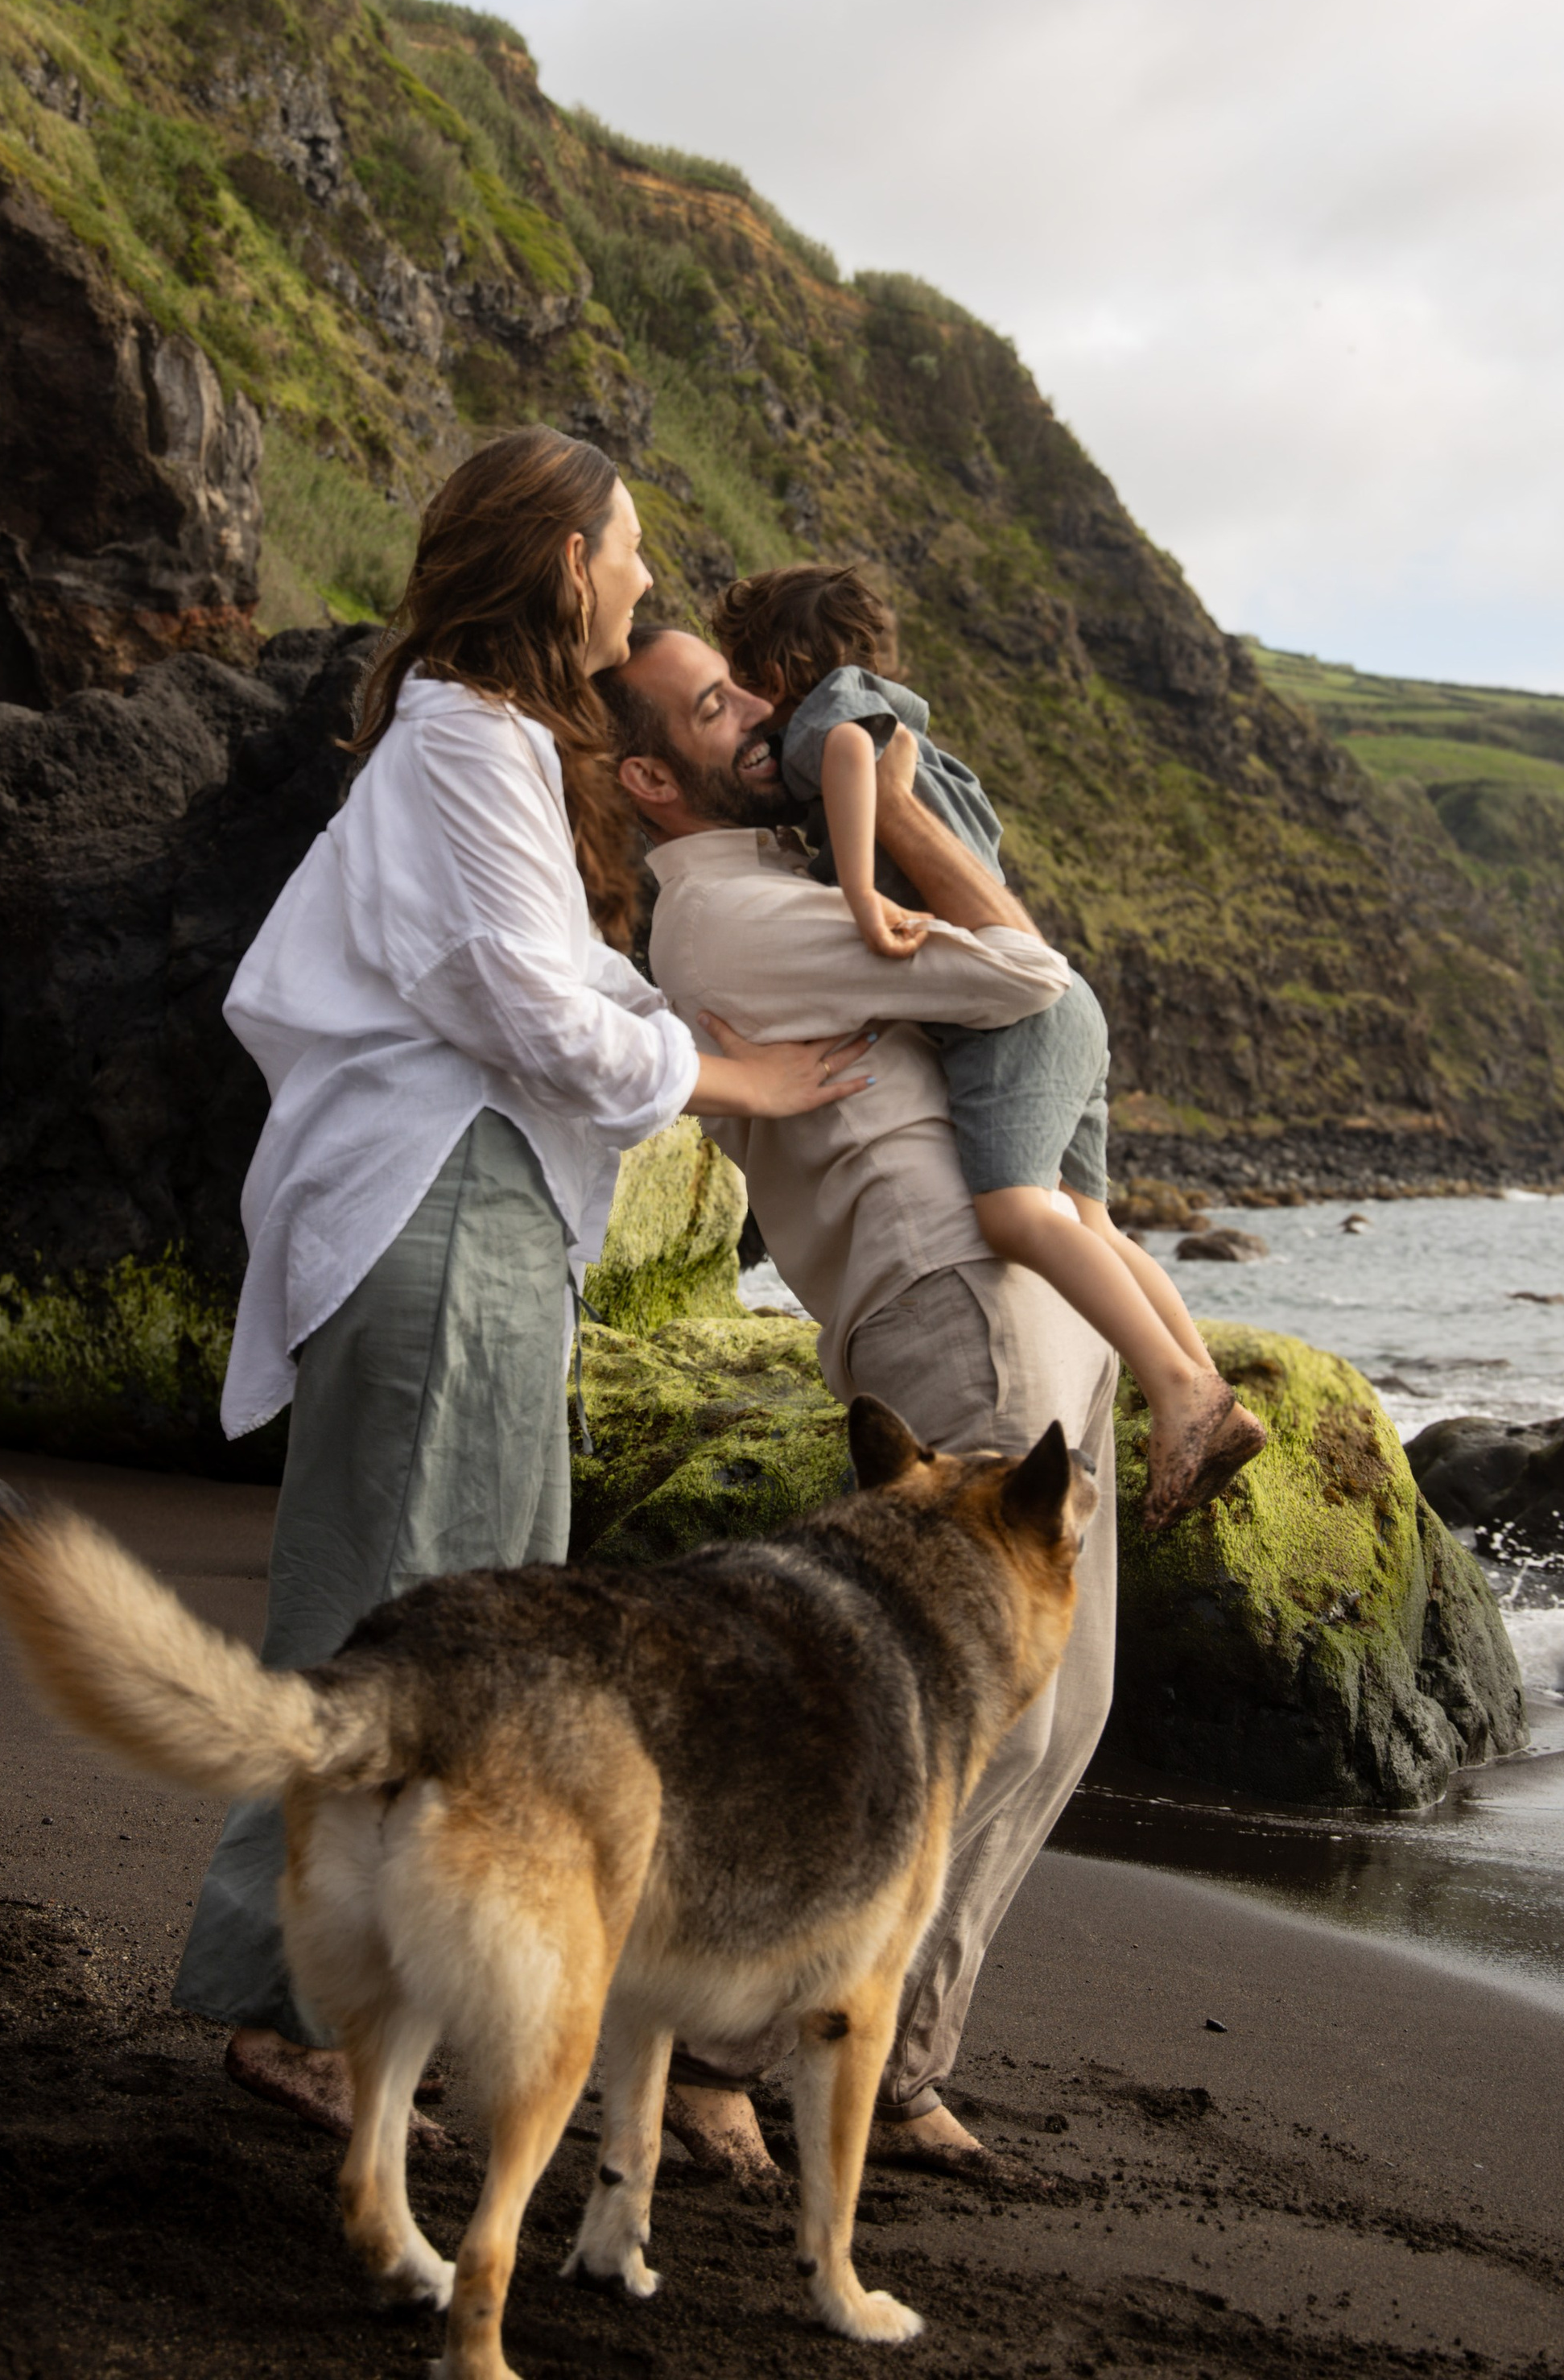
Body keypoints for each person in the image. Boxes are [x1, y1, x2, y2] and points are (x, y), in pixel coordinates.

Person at [175, 432, 872, 2138]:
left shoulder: (475, 748)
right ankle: (290, 2010)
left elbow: (561, 995)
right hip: (437, 1208)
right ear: (565, 561)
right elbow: (538, 1018)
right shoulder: (468, 747)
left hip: (477, 1214)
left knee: (456, 1617)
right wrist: (740, 1081)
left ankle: (351, 2004)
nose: (643, 581)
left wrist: (662, 1034)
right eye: (627, 549)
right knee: (389, 1615)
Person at [600, 620, 1116, 2188]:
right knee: (957, 1727)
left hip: (1031, 1287)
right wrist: (893, 826)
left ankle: (890, 2056)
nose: (762, 709)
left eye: (751, 687)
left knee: (1058, 1712)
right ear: (646, 778)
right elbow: (1025, 970)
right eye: (717, 705)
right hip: (944, 1296)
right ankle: (721, 2054)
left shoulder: (782, 883)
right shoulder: (729, 923)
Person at [710, 561, 1265, 1531]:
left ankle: (1178, 1391)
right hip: (1065, 1008)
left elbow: (844, 754)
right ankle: (1210, 1392)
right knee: (1086, 1227)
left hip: (1014, 1018)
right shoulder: (911, 727)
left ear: (787, 662)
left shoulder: (829, 715)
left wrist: (855, 895)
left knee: (1014, 1216)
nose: (746, 703)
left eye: (743, 676)